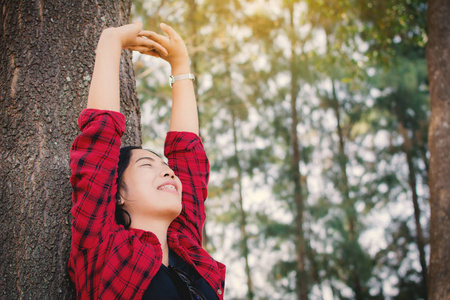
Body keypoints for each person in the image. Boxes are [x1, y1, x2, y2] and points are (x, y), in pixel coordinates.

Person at [69, 21, 226, 300]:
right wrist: (111, 41)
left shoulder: (188, 253)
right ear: (116, 193)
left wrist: (180, 67)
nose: (169, 174)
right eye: (147, 165)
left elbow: (188, 156)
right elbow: (100, 141)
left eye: (167, 169)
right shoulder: (104, 250)